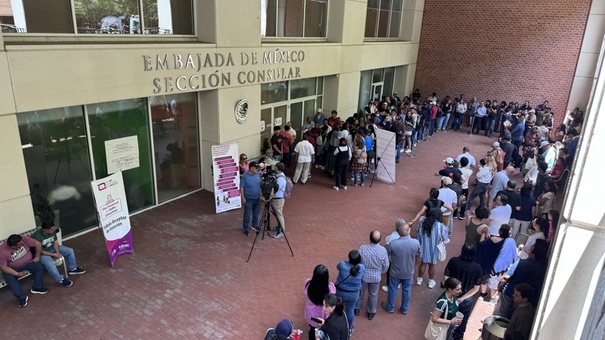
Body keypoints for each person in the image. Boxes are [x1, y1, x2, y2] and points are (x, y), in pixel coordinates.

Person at [444, 244, 483, 340]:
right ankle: (458, 336)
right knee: (463, 319)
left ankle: (444, 335)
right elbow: (476, 288)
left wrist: (451, 290)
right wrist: (462, 297)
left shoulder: (453, 261)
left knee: (447, 316)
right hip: (466, 298)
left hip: (451, 295)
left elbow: (446, 277)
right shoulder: (477, 268)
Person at [382, 221, 421, 315]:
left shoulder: (393, 244)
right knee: (407, 290)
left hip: (395, 271)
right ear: (409, 231)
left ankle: (390, 306)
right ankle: (404, 308)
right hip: (408, 271)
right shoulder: (416, 243)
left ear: (399, 232)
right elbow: (419, 257)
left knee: (393, 289)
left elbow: (387, 254)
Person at [32, 222, 86, 287]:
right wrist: (53, 254)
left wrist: (57, 252)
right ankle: (61, 279)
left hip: (52, 248)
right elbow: (39, 251)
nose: (54, 230)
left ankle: (73, 268)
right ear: (45, 230)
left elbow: (55, 242)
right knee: (50, 264)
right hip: (43, 253)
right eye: (52, 229)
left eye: (53, 228)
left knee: (69, 251)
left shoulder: (52, 231)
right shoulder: (36, 236)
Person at [0, 234, 48, 307]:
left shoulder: (23, 239)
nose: (22, 243)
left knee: (38, 266)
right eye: (20, 244)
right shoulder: (2, 251)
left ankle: (37, 288)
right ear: (13, 246)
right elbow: (3, 267)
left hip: (29, 262)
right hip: (12, 268)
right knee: (9, 278)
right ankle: (22, 297)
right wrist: (16, 273)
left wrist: (37, 257)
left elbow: (38, 244)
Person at [476, 224, 517, 305]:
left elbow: (481, 244)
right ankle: (493, 299)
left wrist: (484, 234)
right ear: (509, 234)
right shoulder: (509, 242)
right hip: (497, 269)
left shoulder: (491, 239)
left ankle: (482, 294)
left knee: (484, 281)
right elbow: (512, 256)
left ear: (499, 231)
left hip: (486, 265)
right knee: (494, 284)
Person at [355, 230, 389, 321]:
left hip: (363, 275)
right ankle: (371, 312)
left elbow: (357, 262)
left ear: (370, 238)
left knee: (360, 292)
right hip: (376, 276)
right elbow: (386, 265)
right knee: (373, 295)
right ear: (380, 239)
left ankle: (357, 308)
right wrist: (380, 271)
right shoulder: (383, 250)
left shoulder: (363, 248)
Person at [416, 208, 449, 289]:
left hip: (423, 247)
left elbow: (418, 233)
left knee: (423, 263)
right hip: (435, 249)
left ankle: (419, 279)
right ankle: (431, 281)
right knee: (432, 266)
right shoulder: (441, 226)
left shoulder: (422, 223)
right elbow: (445, 239)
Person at [335, 250, 365, 333]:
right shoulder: (361, 268)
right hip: (353, 294)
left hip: (341, 291)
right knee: (350, 309)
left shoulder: (342, 264)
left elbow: (337, 267)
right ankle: (349, 328)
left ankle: (337, 326)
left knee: (338, 308)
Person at [304, 264, 336, 340]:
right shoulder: (330, 288)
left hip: (311, 314)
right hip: (323, 316)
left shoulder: (308, 284)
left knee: (312, 330)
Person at [240, 161, 261, 236]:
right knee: (247, 214)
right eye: (256, 168)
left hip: (257, 198)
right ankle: (245, 228)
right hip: (249, 198)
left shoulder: (258, 174)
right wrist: (243, 198)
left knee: (256, 213)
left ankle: (254, 225)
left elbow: (260, 184)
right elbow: (242, 187)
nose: (257, 169)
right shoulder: (245, 177)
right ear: (251, 168)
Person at [271, 163, 287, 239]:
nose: (275, 169)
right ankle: (279, 227)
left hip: (278, 199)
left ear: (279, 169)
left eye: (276, 168)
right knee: (277, 213)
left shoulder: (280, 179)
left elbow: (276, 189)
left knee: (279, 215)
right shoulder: (280, 176)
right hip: (278, 199)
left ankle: (281, 231)